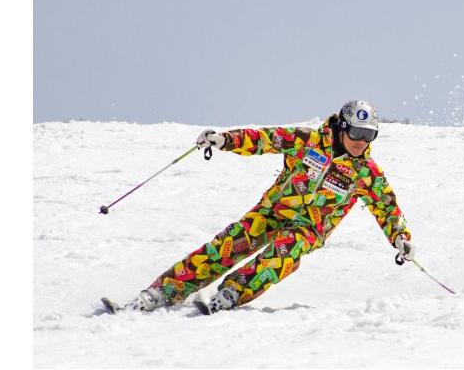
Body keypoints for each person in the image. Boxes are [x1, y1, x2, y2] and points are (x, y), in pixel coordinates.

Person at [104, 100, 415, 315]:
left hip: (308, 229)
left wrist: (400, 238)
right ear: (343, 127)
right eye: (357, 133)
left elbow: (387, 208)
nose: (362, 141)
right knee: (222, 248)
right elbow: (266, 139)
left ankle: (231, 294)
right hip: (271, 212)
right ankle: (159, 294)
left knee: (284, 252)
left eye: (369, 135)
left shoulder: (365, 173)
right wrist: (226, 140)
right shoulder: (308, 140)